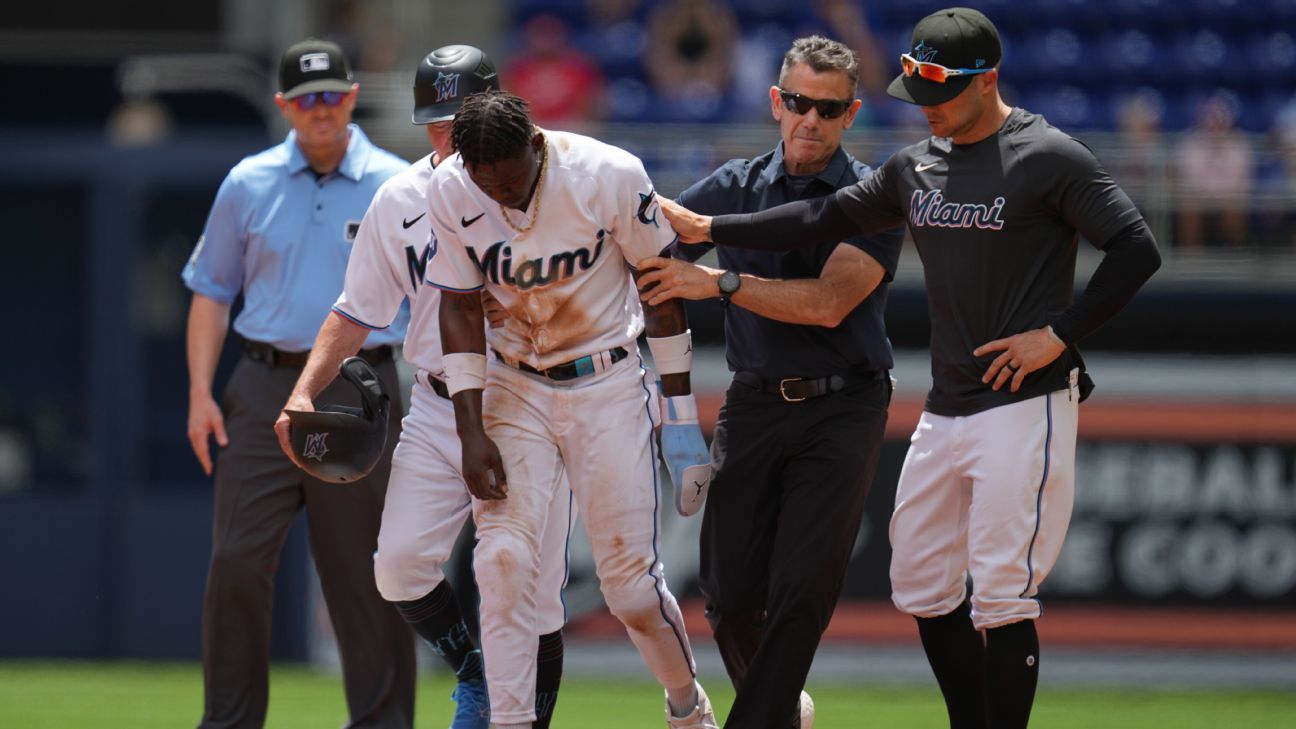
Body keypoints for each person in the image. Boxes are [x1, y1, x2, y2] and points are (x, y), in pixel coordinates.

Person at [659, 8, 1162, 728]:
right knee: (922, 583)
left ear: (987, 81)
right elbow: (817, 221)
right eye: (916, 91)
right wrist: (715, 231)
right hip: (946, 401)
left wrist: (1060, 333)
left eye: (940, 93)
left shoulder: (1047, 154)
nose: (925, 108)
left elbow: (1136, 247)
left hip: (1024, 397)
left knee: (1001, 595)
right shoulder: (916, 164)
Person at [272, 44, 573, 729]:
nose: (446, 134)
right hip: (439, 404)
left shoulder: (549, 186)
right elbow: (356, 310)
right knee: (399, 567)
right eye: (435, 119)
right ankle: (473, 672)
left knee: (531, 592)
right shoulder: (402, 197)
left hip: (530, 400)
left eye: (459, 116)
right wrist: (304, 390)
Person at [425, 90, 718, 729]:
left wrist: (681, 419)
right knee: (500, 564)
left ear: (536, 145)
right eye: (487, 182)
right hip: (514, 383)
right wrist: (469, 429)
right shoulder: (451, 187)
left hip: (606, 378)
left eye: (512, 179)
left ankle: (688, 708)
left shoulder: (606, 172)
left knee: (631, 590)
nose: (503, 194)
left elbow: (662, 285)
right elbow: (458, 305)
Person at [635, 35, 902, 729]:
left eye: (827, 107)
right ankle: (784, 714)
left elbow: (827, 303)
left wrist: (718, 279)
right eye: (797, 102)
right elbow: (641, 246)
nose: (809, 119)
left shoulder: (874, 194)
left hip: (842, 407)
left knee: (799, 593)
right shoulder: (732, 186)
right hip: (752, 402)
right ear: (774, 102)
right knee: (725, 595)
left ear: (852, 115)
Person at [183, 38, 414, 729]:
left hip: (361, 387)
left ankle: (383, 723)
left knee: (366, 574)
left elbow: (435, 295)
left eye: (334, 96)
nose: (323, 111)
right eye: (307, 99)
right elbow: (210, 291)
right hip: (262, 385)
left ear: (352, 97)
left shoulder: (397, 183)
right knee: (235, 560)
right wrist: (200, 391)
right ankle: (229, 721)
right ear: (284, 106)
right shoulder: (247, 182)